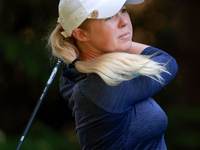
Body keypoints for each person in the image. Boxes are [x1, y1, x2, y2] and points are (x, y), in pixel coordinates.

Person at [48, 0, 178, 149]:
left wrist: (120, 41)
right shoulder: (103, 86)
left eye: (123, 10)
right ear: (81, 34)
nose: (124, 22)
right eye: (108, 17)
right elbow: (166, 64)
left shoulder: (82, 79)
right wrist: (123, 42)